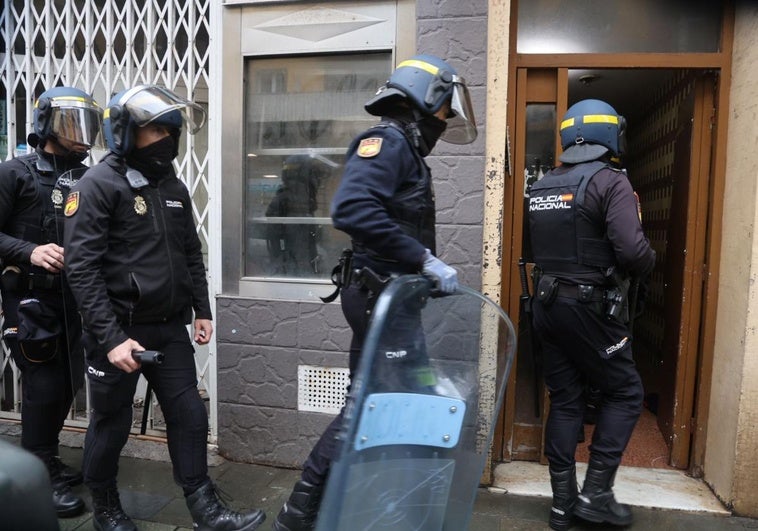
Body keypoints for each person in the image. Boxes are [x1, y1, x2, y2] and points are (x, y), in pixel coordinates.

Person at [272, 53, 478, 531]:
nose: (446, 122)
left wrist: (421, 274)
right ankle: (300, 510)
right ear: (427, 100)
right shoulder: (385, 142)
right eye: (445, 110)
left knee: (410, 395)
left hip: (393, 299)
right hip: (377, 299)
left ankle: (371, 495)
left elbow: (390, 219)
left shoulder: (404, 146)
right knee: (369, 404)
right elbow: (353, 210)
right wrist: (422, 259)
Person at [63, 84, 265, 531]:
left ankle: (206, 510)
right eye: (155, 130)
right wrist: (112, 338)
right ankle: (106, 507)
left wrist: (203, 309)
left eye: (170, 129)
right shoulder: (96, 186)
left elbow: (189, 253)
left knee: (189, 414)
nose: (166, 138)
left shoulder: (171, 186)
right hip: (117, 334)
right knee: (111, 423)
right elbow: (81, 270)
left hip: (169, 328)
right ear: (126, 132)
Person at [527, 99, 656, 530]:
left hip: (546, 304)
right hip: (588, 308)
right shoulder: (611, 181)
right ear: (610, 135)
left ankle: (562, 506)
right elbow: (633, 252)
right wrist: (648, 262)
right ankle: (596, 496)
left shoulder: (544, 184)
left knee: (565, 399)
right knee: (625, 392)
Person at [0, 85, 104, 518]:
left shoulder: (89, 175)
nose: (81, 134)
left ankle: (46, 456)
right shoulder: (15, 172)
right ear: (45, 124)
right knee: (43, 388)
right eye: (70, 123)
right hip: (30, 300)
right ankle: (37, 473)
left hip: (76, 300)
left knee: (68, 384)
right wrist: (30, 252)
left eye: (87, 124)